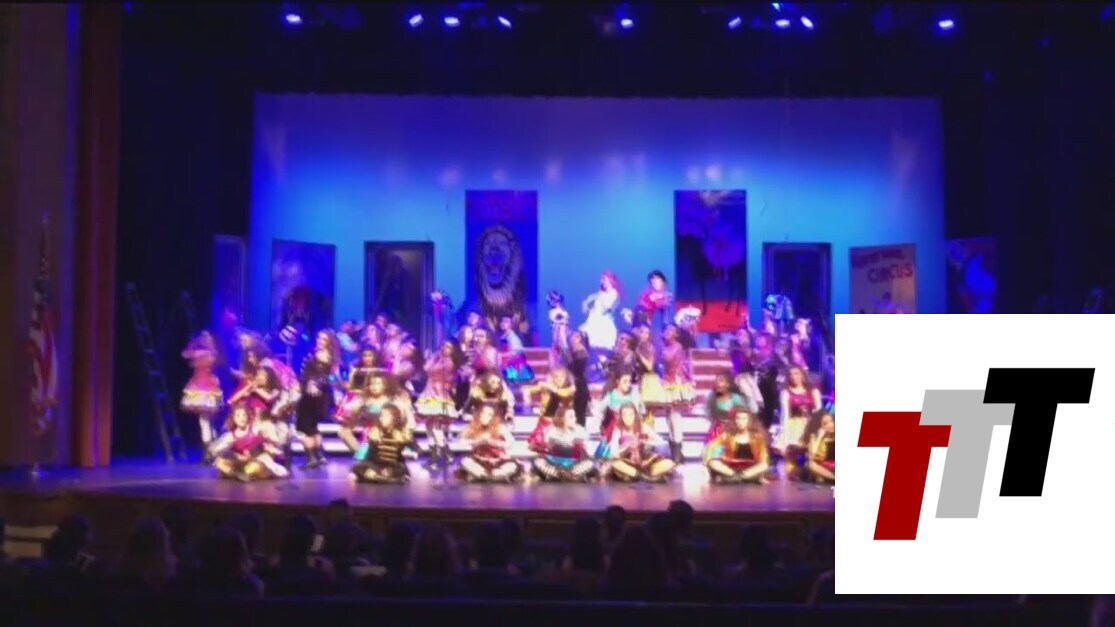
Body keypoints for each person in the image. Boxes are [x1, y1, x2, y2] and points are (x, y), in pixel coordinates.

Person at [295, 330, 340, 469]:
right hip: (310, 393)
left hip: (315, 395)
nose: (320, 341)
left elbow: (331, 377)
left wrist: (314, 383)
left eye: (324, 339)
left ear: (329, 342)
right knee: (312, 426)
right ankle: (319, 455)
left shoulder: (326, 357)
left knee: (304, 427)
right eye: (319, 337)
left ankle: (311, 458)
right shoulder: (317, 353)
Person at [603, 403, 676, 482]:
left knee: (669, 463)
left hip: (645, 462)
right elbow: (613, 450)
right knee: (615, 463)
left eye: (631, 415)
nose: (628, 418)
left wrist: (645, 442)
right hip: (628, 463)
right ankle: (640, 476)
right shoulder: (618, 430)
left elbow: (661, 441)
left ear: (635, 415)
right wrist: (625, 448)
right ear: (621, 416)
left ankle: (646, 475)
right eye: (625, 415)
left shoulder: (642, 426)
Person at [417, 340, 460, 470]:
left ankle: (439, 457)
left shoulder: (448, 362)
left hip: (439, 395)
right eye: (443, 346)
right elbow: (426, 369)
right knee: (429, 426)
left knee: (436, 428)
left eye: (448, 347)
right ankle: (440, 455)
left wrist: (433, 358)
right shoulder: (439, 359)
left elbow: (428, 369)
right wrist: (434, 357)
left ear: (452, 351)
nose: (444, 349)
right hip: (429, 393)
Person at [180, 331, 224, 460]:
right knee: (206, 421)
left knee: (206, 421)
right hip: (200, 385)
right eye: (203, 337)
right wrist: (195, 344)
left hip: (206, 387)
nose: (205, 339)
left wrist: (195, 345)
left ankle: (209, 452)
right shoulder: (209, 353)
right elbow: (185, 354)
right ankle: (212, 450)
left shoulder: (207, 353)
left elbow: (186, 354)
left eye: (207, 337)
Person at [456, 403, 523, 482]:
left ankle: (492, 476)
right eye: (483, 413)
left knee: (511, 466)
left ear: (493, 417)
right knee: (466, 462)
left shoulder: (500, 428)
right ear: (479, 414)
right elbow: (461, 442)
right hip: (479, 461)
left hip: (498, 461)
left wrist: (494, 442)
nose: (486, 416)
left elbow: (511, 443)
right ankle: (485, 475)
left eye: (489, 414)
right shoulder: (472, 427)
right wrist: (478, 441)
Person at [351, 403, 413, 484]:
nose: (381, 418)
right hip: (376, 464)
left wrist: (411, 453)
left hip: (394, 466)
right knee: (362, 468)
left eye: (385, 416)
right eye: (381, 416)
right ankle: (385, 479)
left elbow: (416, 448)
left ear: (394, 417)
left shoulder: (402, 433)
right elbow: (370, 455)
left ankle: (382, 478)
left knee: (399, 470)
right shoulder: (376, 432)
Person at [778, 365, 821, 480]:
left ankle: (811, 472)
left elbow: (819, 412)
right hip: (794, 425)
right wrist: (784, 435)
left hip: (811, 424)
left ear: (802, 375)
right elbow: (785, 415)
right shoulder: (786, 392)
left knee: (813, 452)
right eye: (791, 374)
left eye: (796, 373)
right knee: (792, 459)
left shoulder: (813, 391)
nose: (794, 377)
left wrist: (817, 428)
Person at [704, 410, 770, 484]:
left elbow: (763, 456)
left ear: (749, 421)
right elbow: (711, 446)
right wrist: (707, 459)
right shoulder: (728, 435)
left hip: (749, 468)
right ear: (735, 420)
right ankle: (739, 478)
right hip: (730, 468)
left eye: (744, 419)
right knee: (713, 463)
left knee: (764, 465)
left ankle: (735, 478)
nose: (741, 421)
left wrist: (761, 470)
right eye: (738, 418)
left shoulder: (757, 438)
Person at [660, 324, 695, 463]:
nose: (667, 332)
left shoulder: (677, 346)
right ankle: (674, 449)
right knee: (668, 417)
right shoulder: (666, 347)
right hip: (668, 383)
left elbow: (668, 358)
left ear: (676, 334)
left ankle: (678, 452)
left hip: (677, 383)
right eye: (666, 330)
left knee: (675, 417)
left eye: (670, 331)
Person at [531, 408, 596, 481]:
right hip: (555, 463)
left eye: (574, 416)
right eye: (571, 417)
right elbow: (548, 446)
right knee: (538, 462)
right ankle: (560, 474)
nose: (575, 419)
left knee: (589, 464)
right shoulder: (552, 430)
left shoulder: (579, 429)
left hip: (573, 464)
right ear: (562, 418)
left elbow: (585, 447)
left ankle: (569, 475)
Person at [211, 406, 273, 482]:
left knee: (256, 466)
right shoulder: (231, 436)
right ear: (233, 418)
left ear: (247, 417)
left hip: (256, 461)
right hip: (240, 463)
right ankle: (237, 475)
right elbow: (215, 451)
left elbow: (268, 439)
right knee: (219, 462)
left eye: (244, 415)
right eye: (238, 415)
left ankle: (243, 474)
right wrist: (236, 455)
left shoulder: (255, 429)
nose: (242, 418)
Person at [594, 371, 646, 456]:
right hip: (615, 429)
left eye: (629, 381)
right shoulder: (611, 396)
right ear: (617, 381)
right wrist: (600, 425)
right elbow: (599, 411)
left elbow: (642, 410)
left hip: (633, 429)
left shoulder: (634, 394)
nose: (628, 384)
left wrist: (639, 420)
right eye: (625, 381)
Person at [579, 270, 621, 354]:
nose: (601, 281)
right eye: (601, 279)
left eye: (604, 279)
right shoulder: (600, 294)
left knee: (601, 348)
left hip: (603, 324)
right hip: (593, 321)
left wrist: (600, 298)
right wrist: (586, 304)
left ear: (610, 280)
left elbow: (608, 308)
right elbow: (589, 301)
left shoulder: (614, 294)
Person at [705, 370, 749, 444]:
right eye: (716, 381)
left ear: (728, 384)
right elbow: (709, 414)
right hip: (716, 432)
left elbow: (743, 413)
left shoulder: (735, 398)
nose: (717, 383)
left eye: (721, 381)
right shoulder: (712, 398)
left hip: (732, 431)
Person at [498, 315, 534, 385]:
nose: (503, 323)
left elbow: (517, 350)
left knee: (515, 377)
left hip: (514, 360)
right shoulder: (504, 336)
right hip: (507, 358)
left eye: (506, 322)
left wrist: (509, 357)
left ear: (511, 325)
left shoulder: (512, 336)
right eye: (502, 321)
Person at [806, 412, 835, 484]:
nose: (830, 425)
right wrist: (819, 438)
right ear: (820, 426)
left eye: (831, 421)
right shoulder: (815, 438)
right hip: (824, 467)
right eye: (825, 423)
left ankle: (826, 478)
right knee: (811, 465)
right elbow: (812, 456)